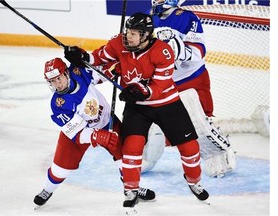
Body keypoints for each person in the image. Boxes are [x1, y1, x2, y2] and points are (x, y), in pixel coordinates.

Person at [64, 12, 209, 212]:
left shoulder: (163, 51)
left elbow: (160, 86)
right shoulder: (118, 43)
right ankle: (131, 190)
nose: (128, 36)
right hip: (137, 107)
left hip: (167, 103)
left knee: (190, 147)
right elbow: (98, 58)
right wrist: (81, 56)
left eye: (133, 33)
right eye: (127, 31)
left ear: (146, 36)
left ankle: (194, 181)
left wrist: (142, 91)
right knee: (131, 147)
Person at [33, 57, 155, 207]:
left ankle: (132, 189)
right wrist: (96, 135)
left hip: (106, 122)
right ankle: (47, 189)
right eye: (52, 81)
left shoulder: (78, 71)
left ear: (66, 73)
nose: (57, 84)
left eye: (59, 78)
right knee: (60, 169)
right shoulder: (58, 105)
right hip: (77, 134)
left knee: (126, 157)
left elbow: (100, 73)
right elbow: (77, 133)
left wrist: (112, 70)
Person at [144, 0, 236, 177]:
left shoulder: (186, 18)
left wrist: (179, 51)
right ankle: (146, 159)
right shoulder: (150, 19)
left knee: (199, 126)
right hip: (164, 83)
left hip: (192, 80)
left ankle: (220, 158)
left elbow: (198, 51)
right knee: (154, 125)